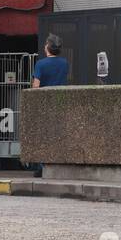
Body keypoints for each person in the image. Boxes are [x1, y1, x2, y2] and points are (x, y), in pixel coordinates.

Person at [29, 34, 69, 178]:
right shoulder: (64, 63)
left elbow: (36, 85)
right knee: (57, 134)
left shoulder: (40, 64)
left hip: (44, 104)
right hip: (59, 102)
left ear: (47, 46)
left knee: (42, 135)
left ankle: (41, 166)